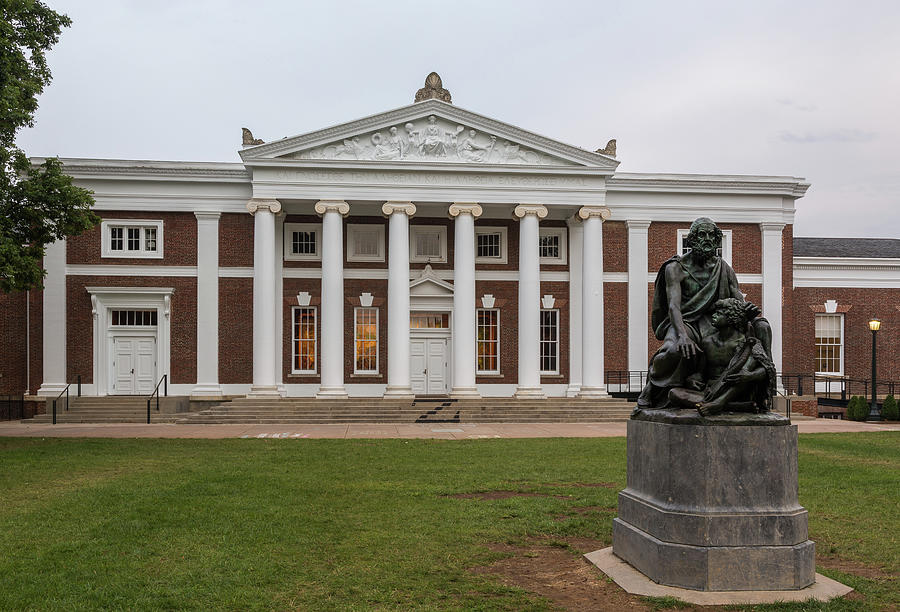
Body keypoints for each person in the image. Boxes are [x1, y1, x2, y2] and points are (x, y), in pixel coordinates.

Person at [635, 217, 771, 410]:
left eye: (711, 235)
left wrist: (747, 310)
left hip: (715, 321)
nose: (707, 239)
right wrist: (682, 335)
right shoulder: (675, 268)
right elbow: (673, 306)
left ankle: (757, 393)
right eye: (701, 234)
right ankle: (652, 385)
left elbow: (737, 300)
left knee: (760, 327)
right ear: (691, 240)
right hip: (685, 320)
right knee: (674, 350)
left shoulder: (723, 268)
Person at [668, 298, 776, 415]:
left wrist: (749, 376)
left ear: (731, 318)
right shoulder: (707, 342)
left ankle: (721, 403)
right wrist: (694, 379)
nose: (713, 316)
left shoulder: (745, 342)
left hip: (737, 391)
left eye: (718, 314)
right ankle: (736, 407)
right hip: (711, 391)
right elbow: (701, 372)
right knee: (674, 394)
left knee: (744, 367)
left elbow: (767, 369)